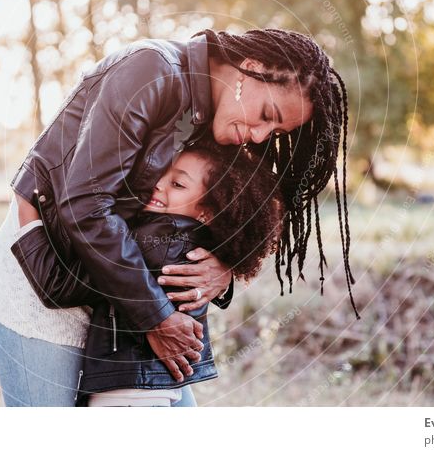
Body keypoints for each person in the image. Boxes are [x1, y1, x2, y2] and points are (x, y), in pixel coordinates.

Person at [0, 28, 358, 407]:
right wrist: (157, 318)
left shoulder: (221, 123)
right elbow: (85, 204)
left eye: (275, 131)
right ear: (250, 67)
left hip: (120, 312)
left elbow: (234, 212)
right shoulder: (150, 71)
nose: (260, 136)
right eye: (266, 115)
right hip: (40, 292)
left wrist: (223, 267)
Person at [77, 135, 284, 406]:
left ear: (207, 213)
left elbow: (98, 260)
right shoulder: (199, 246)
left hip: (129, 387)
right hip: (155, 384)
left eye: (177, 184)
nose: (159, 184)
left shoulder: (159, 238)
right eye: (163, 175)